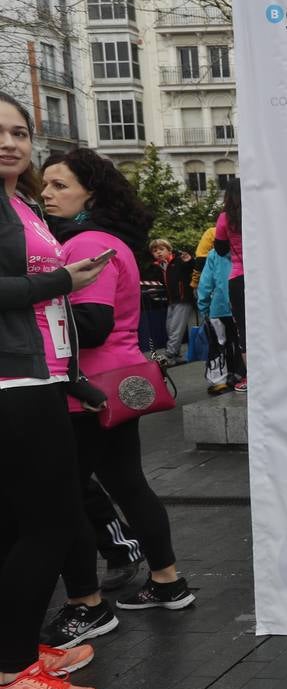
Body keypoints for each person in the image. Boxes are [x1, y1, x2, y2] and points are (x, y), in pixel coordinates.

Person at [39, 148, 195, 652]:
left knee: (66, 497)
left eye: (60, 185)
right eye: (45, 185)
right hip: (114, 386)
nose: (46, 194)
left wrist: (33, 314)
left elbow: (94, 322)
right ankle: (167, 582)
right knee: (127, 486)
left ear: (92, 192)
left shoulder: (86, 241)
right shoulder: (109, 240)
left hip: (86, 391)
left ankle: (87, 607)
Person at [0, 91, 107, 689]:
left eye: (19, 131)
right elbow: (31, 292)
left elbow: (40, 317)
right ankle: (14, 671)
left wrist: (72, 381)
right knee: (51, 524)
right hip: (13, 387)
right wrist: (62, 281)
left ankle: (14, 650)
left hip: (38, 380)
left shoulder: (20, 202)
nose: (10, 142)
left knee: (20, 527)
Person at [197, 244, 244, 394]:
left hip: (219, 308)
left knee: (219, 345)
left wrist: (203, 306)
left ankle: (219, 381)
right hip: (243, 306)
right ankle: (241, 375)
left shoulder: (214, 254)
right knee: (241, 343)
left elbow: (206, 282)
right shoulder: (247, 249)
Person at [214, 184, 246, 391]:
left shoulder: (224, 218)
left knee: (244, 328)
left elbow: (220, 248)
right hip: (264, 278)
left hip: (238, 278)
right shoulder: (258, 214)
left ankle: (251, 377)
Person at [145, 237, 194, 363]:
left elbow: (190, 268)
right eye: (155, 251)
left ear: (169, 250)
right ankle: (176, 356)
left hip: (183, 299)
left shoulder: (178, 261)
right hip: (172, 300)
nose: (159, 252)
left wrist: (189, 261)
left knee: (175, 328)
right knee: (170, 327)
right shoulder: (161, 267)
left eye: (162, 249)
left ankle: (170, 354)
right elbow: (164, 283)